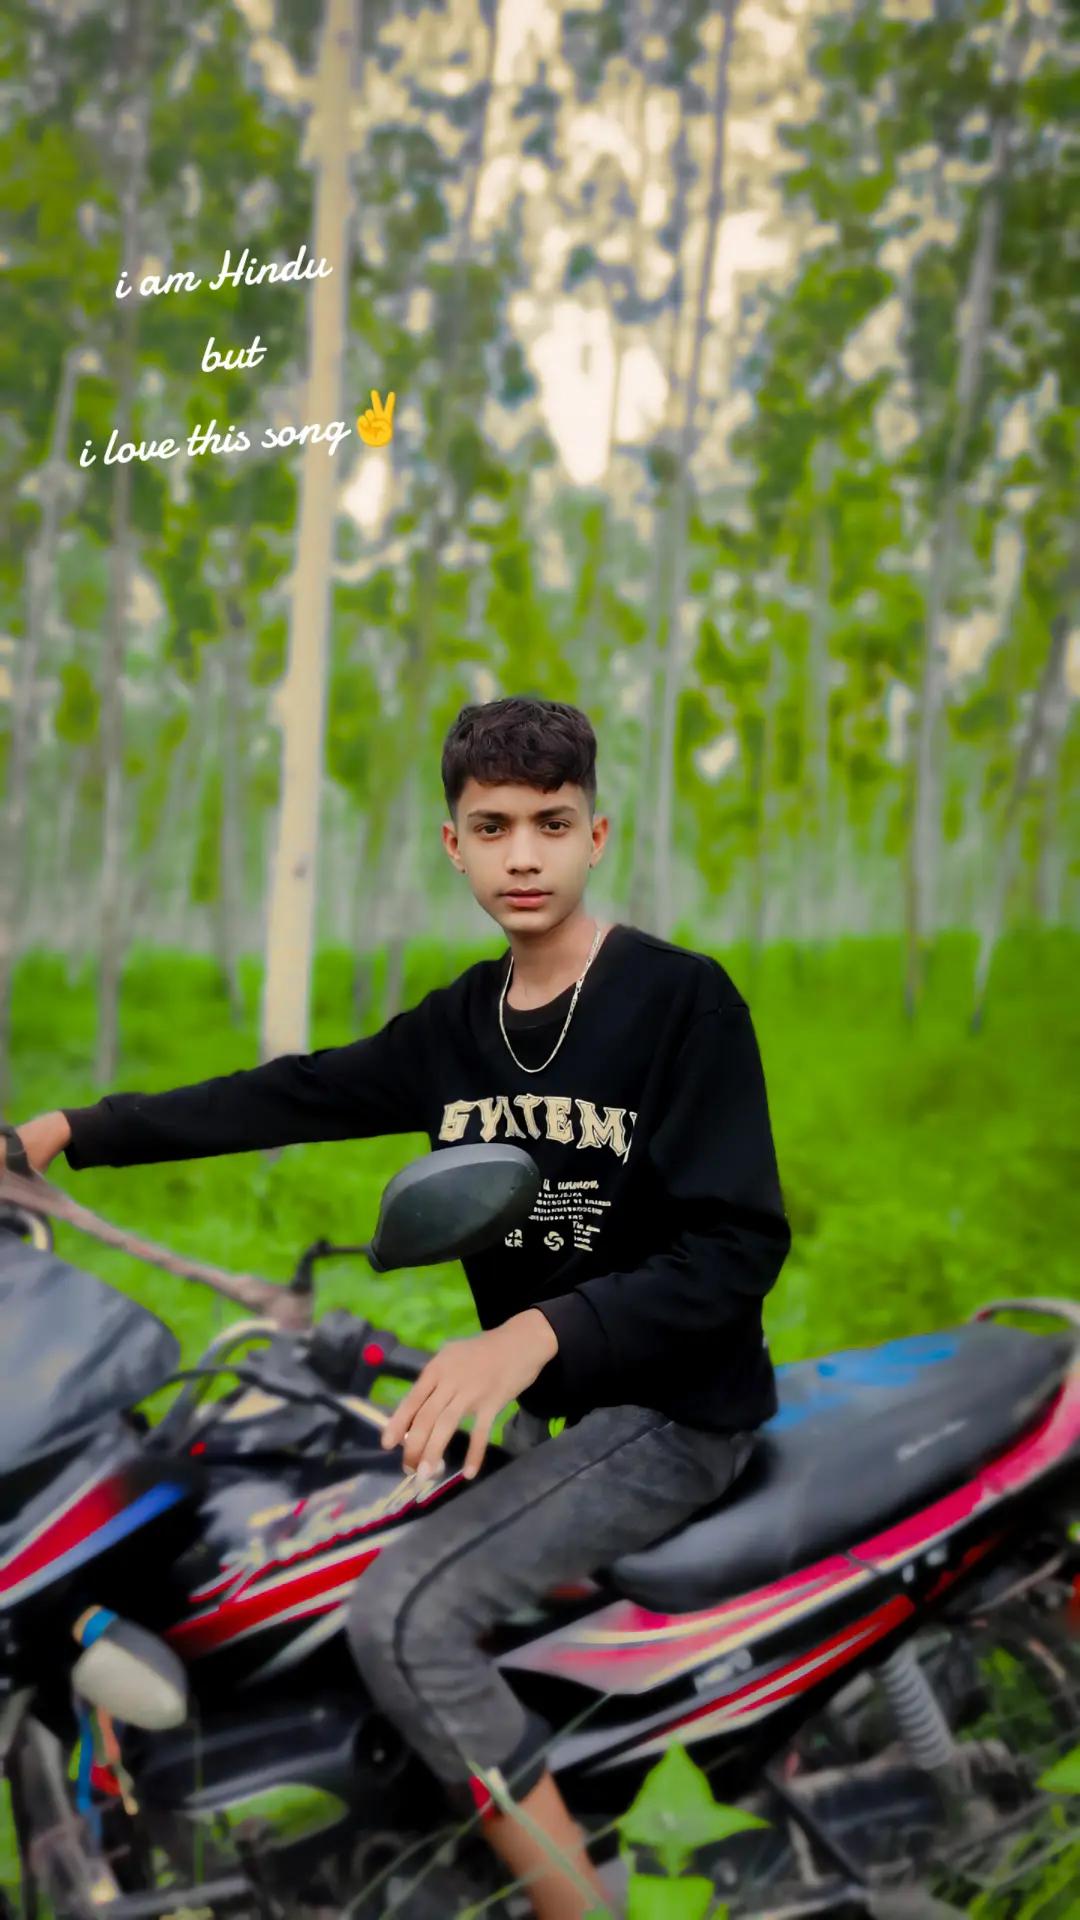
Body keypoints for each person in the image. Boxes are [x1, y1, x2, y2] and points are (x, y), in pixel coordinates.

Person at [2, 696, 791, 1920]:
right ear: (453, 846)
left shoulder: (681, 1002)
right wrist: (65, 1130)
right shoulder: (459, 1029)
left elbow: (738, 1249)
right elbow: (288, 1094)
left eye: (552, 824)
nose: (523, 855)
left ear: (596, 836)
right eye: (494, 827)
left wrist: (532, 1334)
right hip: (548, 1413)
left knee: (407, 1618)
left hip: (672, 1417)